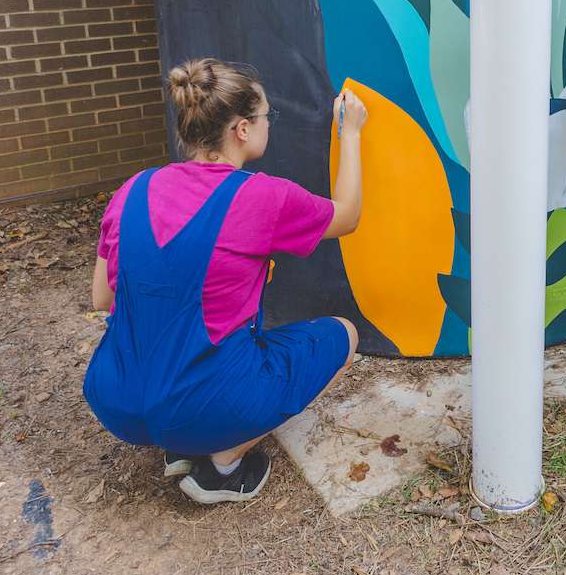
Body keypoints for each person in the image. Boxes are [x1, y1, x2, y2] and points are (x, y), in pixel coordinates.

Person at [83, 58, 367, 505]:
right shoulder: (262, 196)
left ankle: (180, 442)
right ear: (241, 129)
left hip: (116, 398)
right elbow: (347, 215)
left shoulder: (133, 188)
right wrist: (350, 133)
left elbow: (103, 298)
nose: (267, 125)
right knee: (343, 336)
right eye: (265, 117)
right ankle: (223, 464)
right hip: (200, 405)